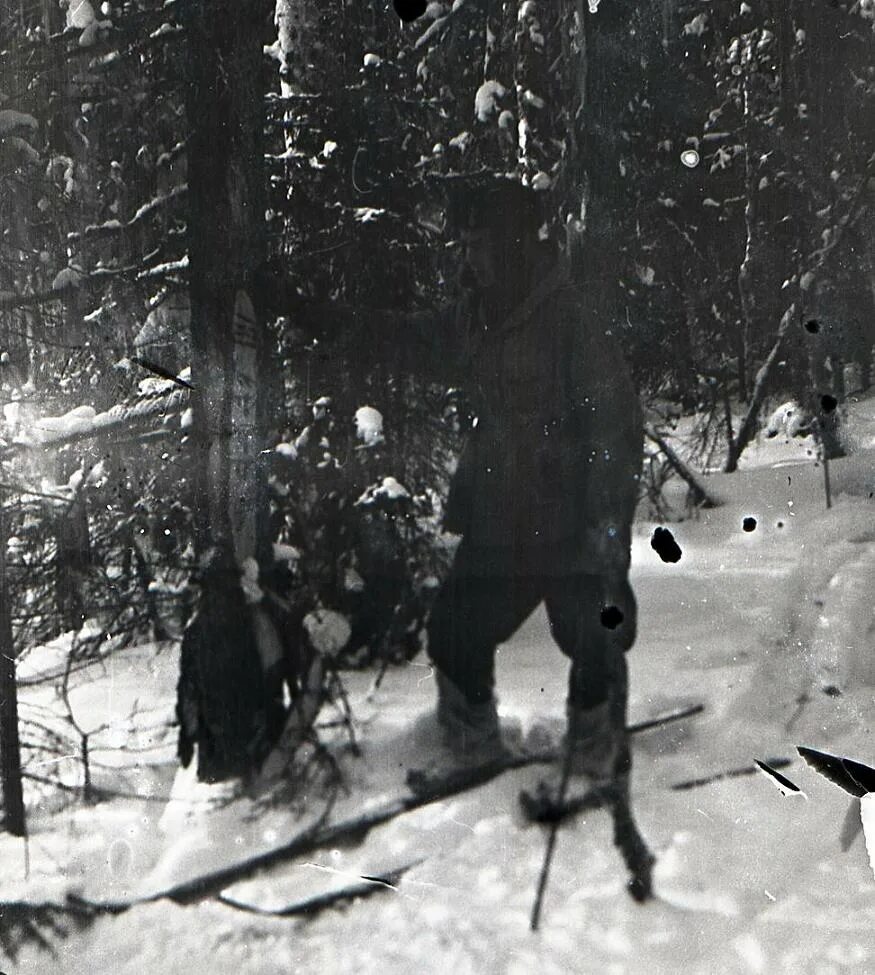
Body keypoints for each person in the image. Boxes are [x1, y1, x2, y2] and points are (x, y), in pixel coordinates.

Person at [418, 178, 643, 790]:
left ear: (515, 245)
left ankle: (595, 746)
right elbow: (402, 338)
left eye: (478, 245)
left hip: (571, 525)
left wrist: (607, 533)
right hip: (501, 523)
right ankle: (473, 744)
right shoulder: (477, 317)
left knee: (596, 627)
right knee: (453, 628)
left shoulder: (570, 319)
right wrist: (305, 310)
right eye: (462, 244)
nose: (467, 258)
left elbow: (615, 433)